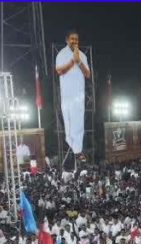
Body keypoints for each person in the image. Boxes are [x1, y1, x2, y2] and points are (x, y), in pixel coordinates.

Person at [54, 30, 91, 165]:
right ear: (67, 40)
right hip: (67, 95)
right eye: (72, 39)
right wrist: (72, 62)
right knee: (69, 122)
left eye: (76, 39)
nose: (74, 41)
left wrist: (79, 62)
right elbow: (59, 71)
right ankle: (72, 145)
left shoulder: (82, 55)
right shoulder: (61, 54)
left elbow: (87, 74)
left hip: (79, 94)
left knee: (79, 122)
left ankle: (78, 151)